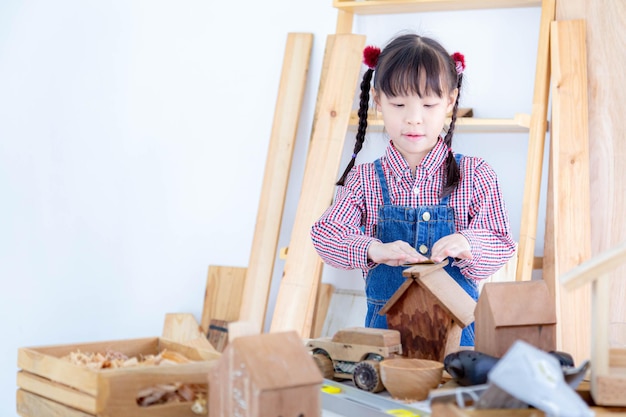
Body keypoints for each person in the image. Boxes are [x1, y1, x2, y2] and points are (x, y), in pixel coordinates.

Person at [310, 33, 516, 347]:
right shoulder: (363, 180)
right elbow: (326, 236)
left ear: (450, 101)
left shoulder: (475, 175)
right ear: (378, 101)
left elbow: (501, 242)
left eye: (429, 104)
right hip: (385, 340)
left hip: (460, 340)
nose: (414, 119)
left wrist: (467, 242)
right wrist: (373, 249)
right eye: (398, 104)